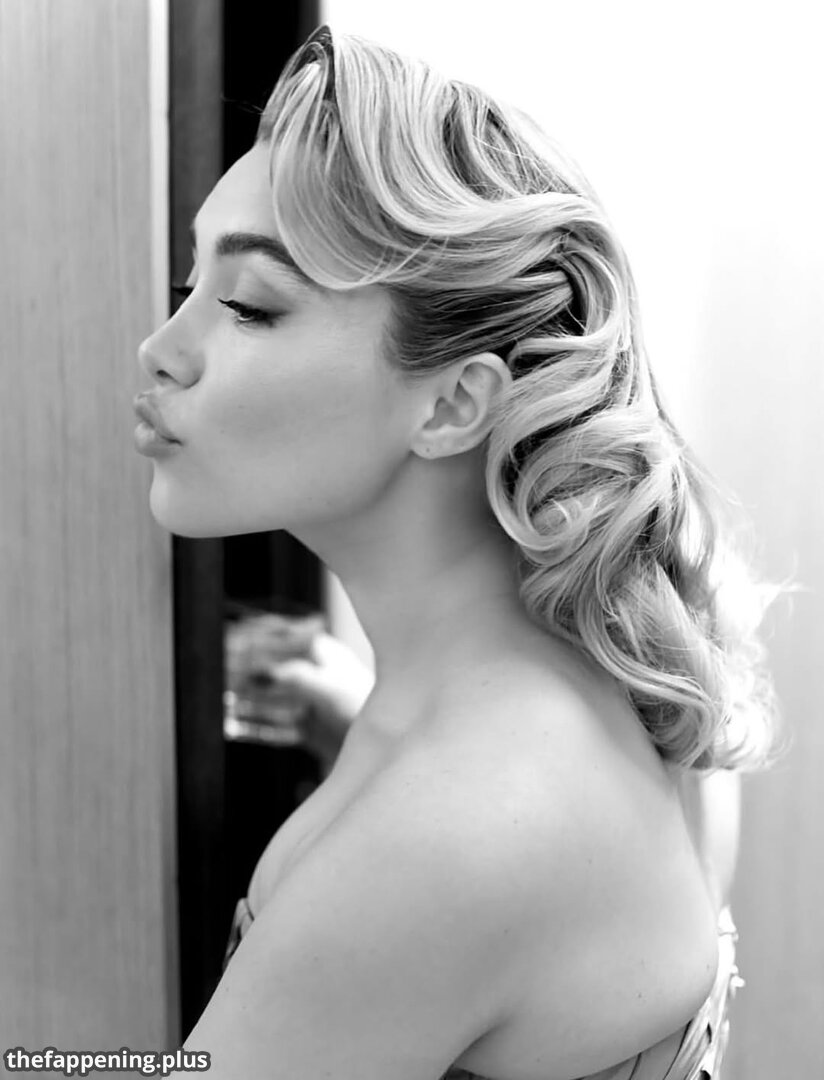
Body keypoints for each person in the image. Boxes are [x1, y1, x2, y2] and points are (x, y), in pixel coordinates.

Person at [136, 25, 792, 1080]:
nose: (160, 353)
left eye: (249, 306)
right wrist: (361, 730)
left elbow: (462, 865)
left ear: (451, 403)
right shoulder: (647, 669)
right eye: (189, 290)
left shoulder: (443, 844)